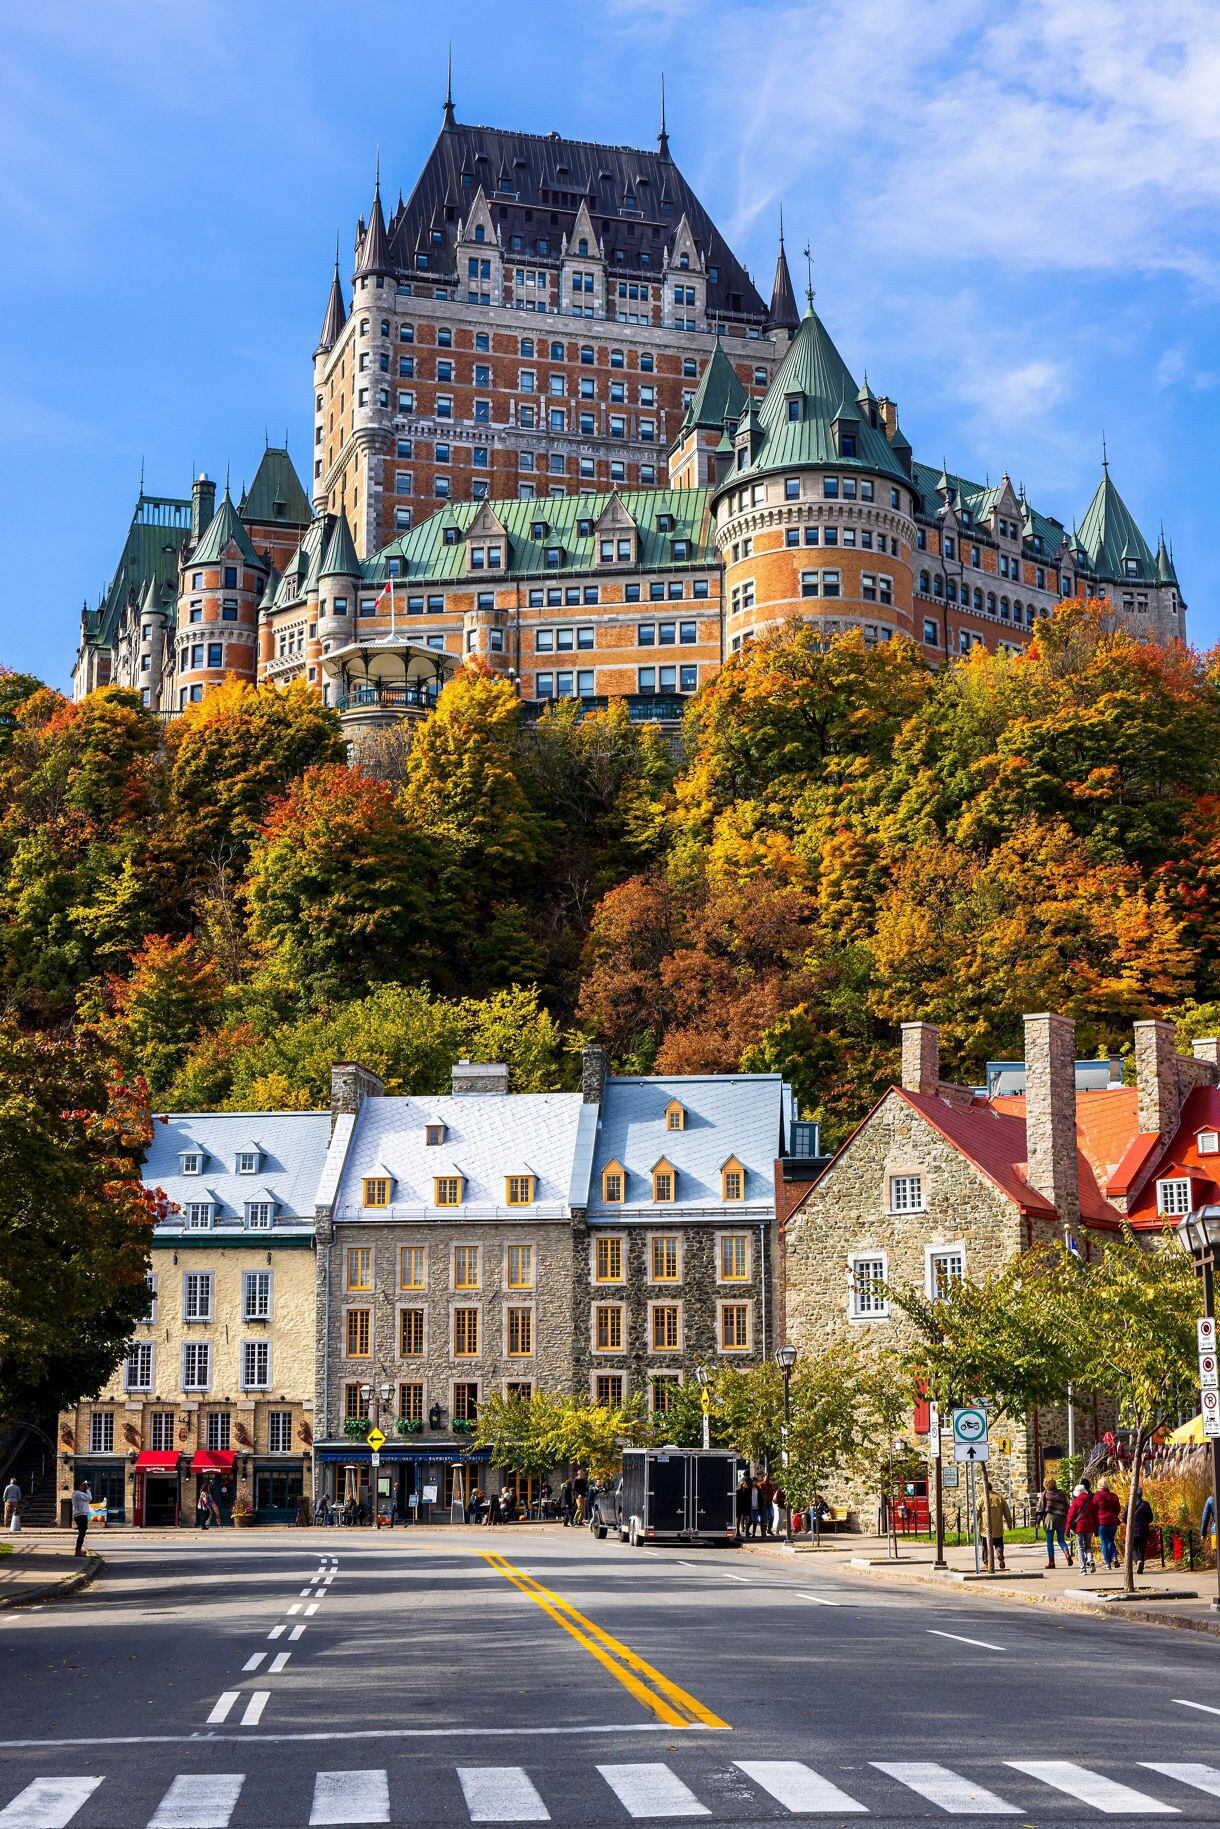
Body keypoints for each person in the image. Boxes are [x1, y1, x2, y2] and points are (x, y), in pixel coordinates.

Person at [1034, 1478, 1071, 1568]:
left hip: (1049, 1519)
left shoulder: (1045, 1494)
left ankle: (1051, 1562)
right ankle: (1067, 1553)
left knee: (1049, 1542)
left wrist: (1037, 1522)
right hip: (1061, 1519)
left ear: (1046, 1485)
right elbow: (1067, 1507)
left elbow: (1040, 1509)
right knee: (1061, 1540)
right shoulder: (1062, 1494)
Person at [975, 1485, 1014, 1571]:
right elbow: (1007, 1512)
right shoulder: (1000, 1498)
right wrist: (1009, 1523)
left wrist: (972, 1525)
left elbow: (976, 1514)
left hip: (985, 1528)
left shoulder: (981, 1500)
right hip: (998, 1527)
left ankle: (987, 1563)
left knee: (985, 1546)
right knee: (998, 1543)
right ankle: (999, 1554)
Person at [1065, 1481, 1099, 1574]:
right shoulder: (1091, 1502)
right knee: (1088, 1546)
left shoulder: (1075, 1503)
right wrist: (1096, 1530)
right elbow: (1096, 1517)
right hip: (1090, 1528)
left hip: (1079, 1528)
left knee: (1080, 1548)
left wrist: (1067, 1530)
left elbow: (1070, 1517)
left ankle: (1083, 1569)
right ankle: (1090, 1559)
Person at [1094, 1479, 1121, 1570]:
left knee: (1104, 1542)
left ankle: (1107, 1563)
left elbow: (1094, 1510)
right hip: (1113, 1521)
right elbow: (1118, 1509)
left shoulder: (1097, 1497)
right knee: (1111, 1540)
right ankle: (1114, 1557)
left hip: (1101, 1522)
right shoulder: (1114, 1496)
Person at [1130, 1487, 1154, 1574]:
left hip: (1132, 1530)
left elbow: (1125, 1518)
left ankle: (1137, 1561)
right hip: (1143, 1530)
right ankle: (1141, 1567)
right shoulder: (1146, 1504)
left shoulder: (1129, 1504)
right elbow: (1151, 1518)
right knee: (1142, 1549)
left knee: (1132, 1548)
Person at [70, 1478, 91, 1556]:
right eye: (83, 1485)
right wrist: (88, 1489)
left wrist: (86, 1489)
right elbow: (89, 1498)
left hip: (81, 1515)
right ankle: (78, 1550)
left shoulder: (77, 1493)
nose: (84, 1486)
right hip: (81, 1515)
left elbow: (87, 1499)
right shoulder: (78, 1494)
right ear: (79, 1486)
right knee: (82, 1533)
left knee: (82, 1533)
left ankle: (78, 1549)